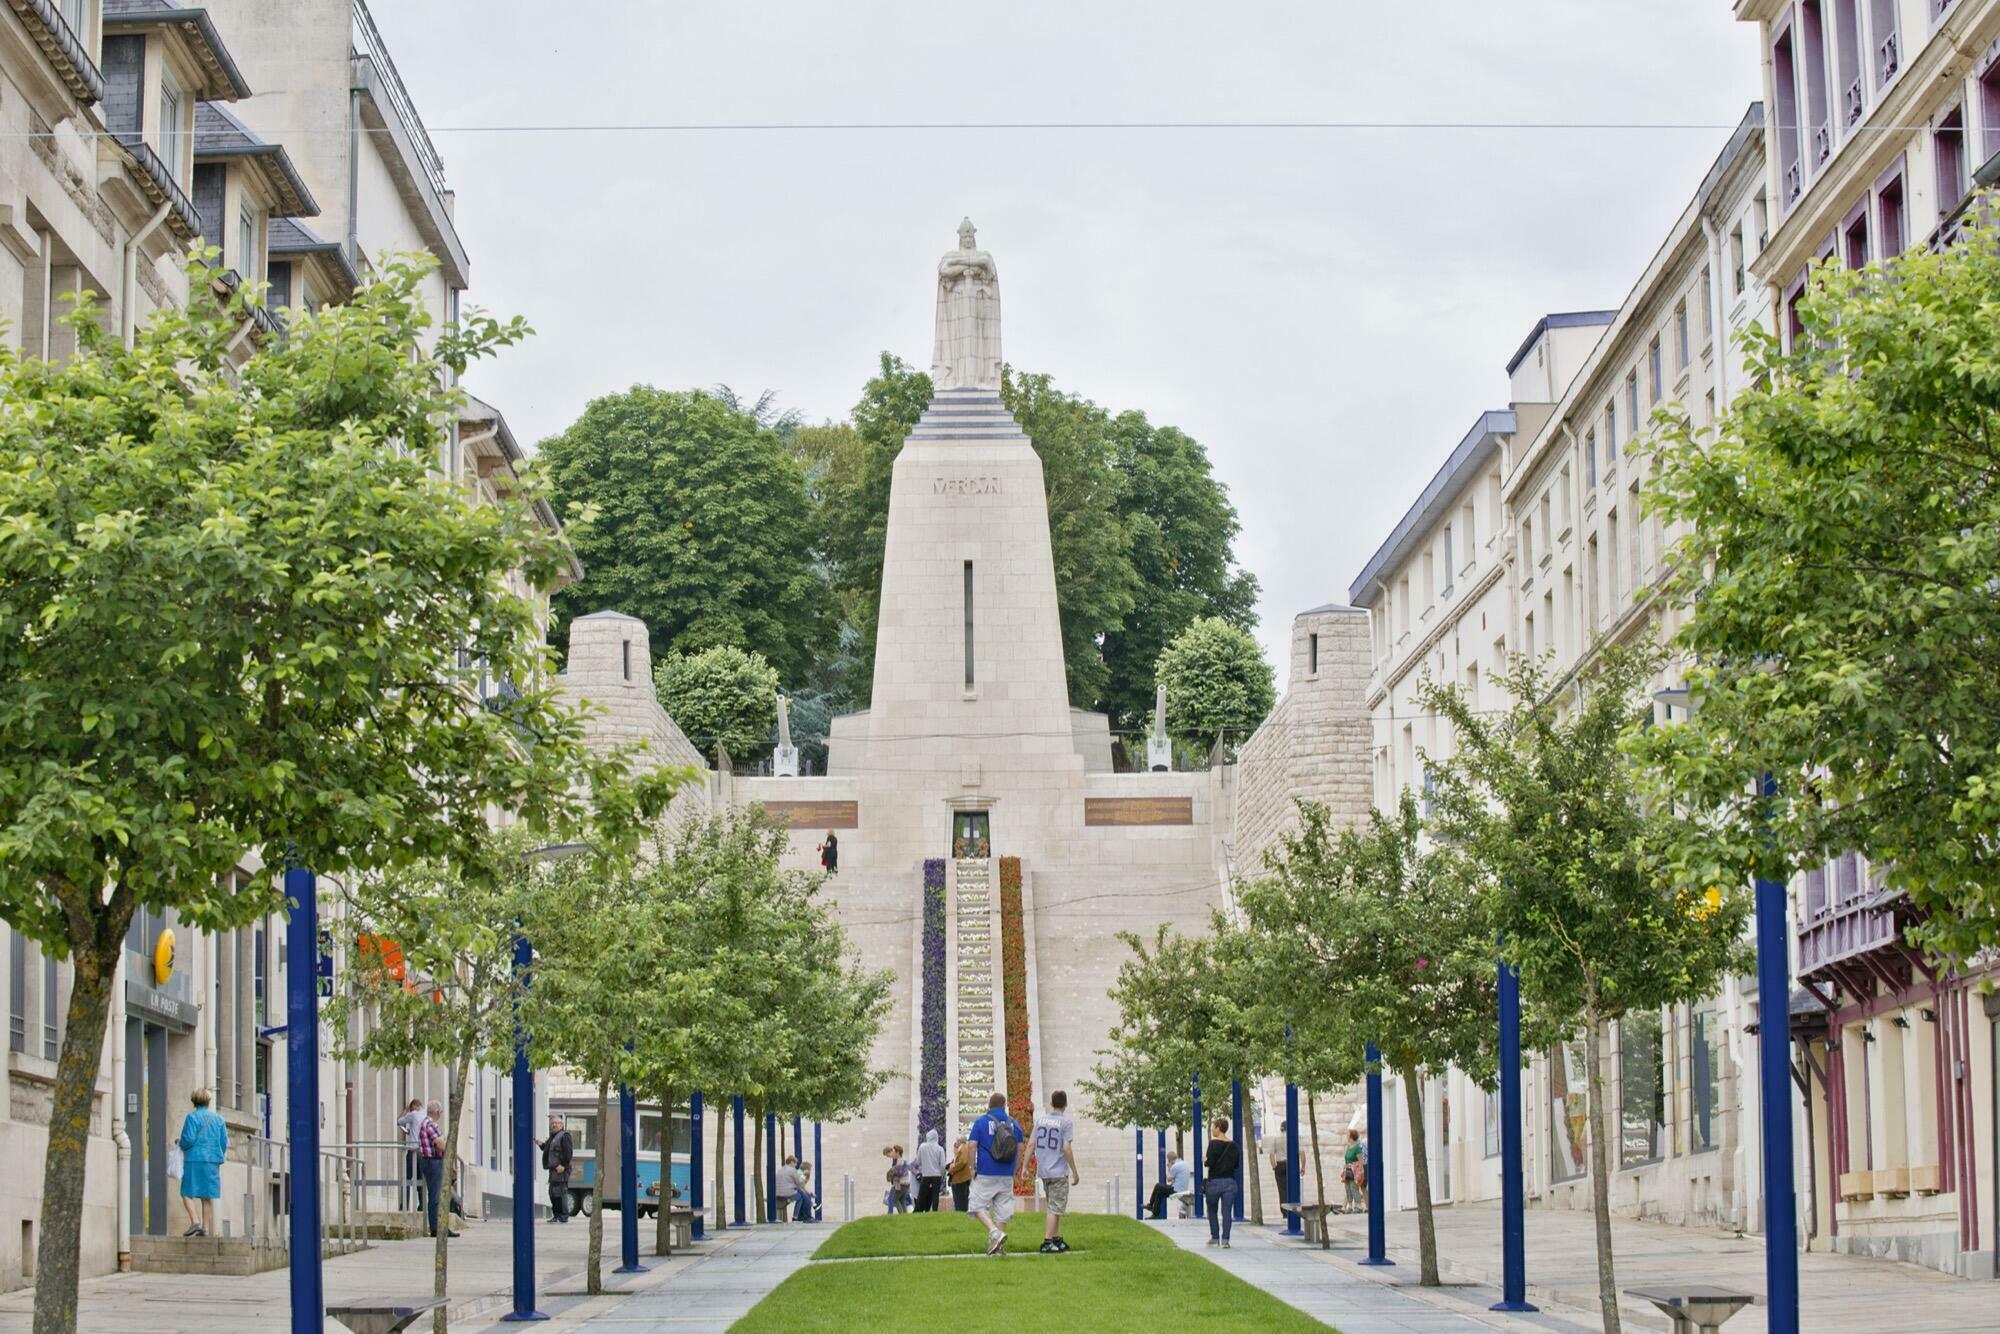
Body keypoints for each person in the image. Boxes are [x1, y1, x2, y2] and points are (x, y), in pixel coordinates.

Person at [967, 1091, 1024, 1256]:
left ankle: (994, 1232)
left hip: (986, 1171)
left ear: (989, 1106)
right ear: (1004, 1106)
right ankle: (998, 1248)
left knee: (976, 1205)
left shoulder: (982, 1122)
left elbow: (971, 1145)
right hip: (1006, 1172)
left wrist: (972, 1168)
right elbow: (1020, 1148)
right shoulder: (1013, 1123)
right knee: (1002, 1210)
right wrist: (1014, 1170)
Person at [1032, 1090, 1080, 1253]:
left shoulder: (1040, 1120)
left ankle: (1056, 1238)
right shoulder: (1066, 1123)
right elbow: (1066, 1147)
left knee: (1054, 1205)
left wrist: (1025, 1166)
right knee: (1055, 1207)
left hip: (1045, 1169)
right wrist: (1074, 1170)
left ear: (1051, 1103)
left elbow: (1032, 1143)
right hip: (1058, 1170)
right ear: (1065, 1104)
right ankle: (1047, 1240)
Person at [175, 1088, 227, 1237]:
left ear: (194, 1102)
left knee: (186, 1192)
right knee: (207, 1195)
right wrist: (218, 1155)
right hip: (212, 1160)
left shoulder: (192, 1118)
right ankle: (205, 1228)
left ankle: (195, 1221)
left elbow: (188, 1139)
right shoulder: (219, 1119)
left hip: (194, 1158)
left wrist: (180, 1143)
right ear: (209, 1102)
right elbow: (223, 1142)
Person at [418, 1100, 458, 1238]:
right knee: (437, 1196)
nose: (440, 1115)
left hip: (431, 1162)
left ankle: (439, 1226)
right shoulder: (430, 1124)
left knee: (437, 1195)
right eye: (440, 1112)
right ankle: (437, 1228)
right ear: (436, 1112)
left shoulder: (425, 1123)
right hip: (433, 1162)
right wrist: (449, 1147)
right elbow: (440, 1144)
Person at [1204, 1116, 1240, 1247]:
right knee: (1226, 1212)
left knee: (1212, 1210)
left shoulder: (1213, 1144)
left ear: (1218, 1129)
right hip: (1230, 1182)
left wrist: (1205, 1160)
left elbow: (1210, 1162)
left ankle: (1214, 1237)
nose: (1212, 1130)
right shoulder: (1234, 1146)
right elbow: (1236, 1165)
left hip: (1214, 1182)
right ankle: (1225, 1240)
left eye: (1213, 1127)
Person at [536, 1114, 575, 1224]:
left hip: (561, 1170)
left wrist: (563, 1165)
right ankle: (556, 1216)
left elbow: (568, 1153)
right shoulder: (553, 1136)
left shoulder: (564, 1136)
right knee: (553, 1194)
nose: (554, 1125)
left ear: (561, 1125)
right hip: (553, 1170)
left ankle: (563, 1216)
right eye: (552, 1123)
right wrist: (541, 1145)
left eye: (556, 1123)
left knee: (560, 1193)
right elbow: (548, 1149)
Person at [395, 1098, 424, 1211]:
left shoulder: (413, 1114)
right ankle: (421, 1205)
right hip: (423, 1151)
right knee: (420, 1179)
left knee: (407, 1178)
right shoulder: (425, 1115)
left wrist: (405, 1110)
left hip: (412, 1151)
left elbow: (399, 1121)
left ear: (414, 1107)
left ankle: (405, 1205)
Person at [911, 1129, 948, 1212]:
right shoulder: (940, 1149)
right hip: (937, 1175)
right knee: (935, 1195)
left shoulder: (922, 1146)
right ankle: (935, 1210)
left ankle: (918, 1210)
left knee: (922, 1194)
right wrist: (941, 1174)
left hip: (926, 1174)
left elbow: (918, 1161)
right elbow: (942, 1165)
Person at [948, 1134, 976, 1212]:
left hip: (960, 1179)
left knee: (960, 1201)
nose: (955, 1142)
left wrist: (952, 1168)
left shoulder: (963, 1148)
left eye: (956, 1141)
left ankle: (961, 1214)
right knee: (960, 1200)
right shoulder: (963, 1147)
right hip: (961, 1178)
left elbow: (962, 1162)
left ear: (959, 1141)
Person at [1343, 1128, 1367, 1213]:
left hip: (1354, 1170)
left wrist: (1360, 1171)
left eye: (1347, 1134)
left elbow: (1360, 1161)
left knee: (1354, 1187)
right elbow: (1346, 1159)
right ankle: (1350, 1205)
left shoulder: (1357, 1148)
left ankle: (1358, 1205)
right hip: (1348, 1170)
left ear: (1351, 1136)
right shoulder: (1348, 1147)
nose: (1346, 1135)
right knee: (1347, 1187)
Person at [882, 1145, 911, 1214]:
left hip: (901, 1183)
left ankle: (899, 1215)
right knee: (901, 1200)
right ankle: (904, 1215)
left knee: (894, 1199)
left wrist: (892, 1172)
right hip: (903, 1183)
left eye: (894, 1151)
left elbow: (900, 1173)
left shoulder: (900, 1161)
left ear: (897, 1153)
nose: (891, 1155)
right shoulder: (900, 1160)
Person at [775, 1154, 803, 1222]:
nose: (796, 1165)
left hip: (778, 1193)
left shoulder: (781, 1169)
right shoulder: (792, 1170)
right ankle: (795, 1217)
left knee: (798, 1194)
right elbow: (798, 1183)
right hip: (787, 1193)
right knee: (800, 1198)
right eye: (795, 1163)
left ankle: (789, 1200)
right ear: (791, 1162)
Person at [1168, 1150, 1194, 1218]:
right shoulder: (1184, 1163)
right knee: (1183, 1205)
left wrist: (1169, 1167)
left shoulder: (1175, 1166)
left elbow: (1169, 1179)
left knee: (1181, 1207)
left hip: (1178, 1190)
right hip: (1186, 1188)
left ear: (1169, 1160)